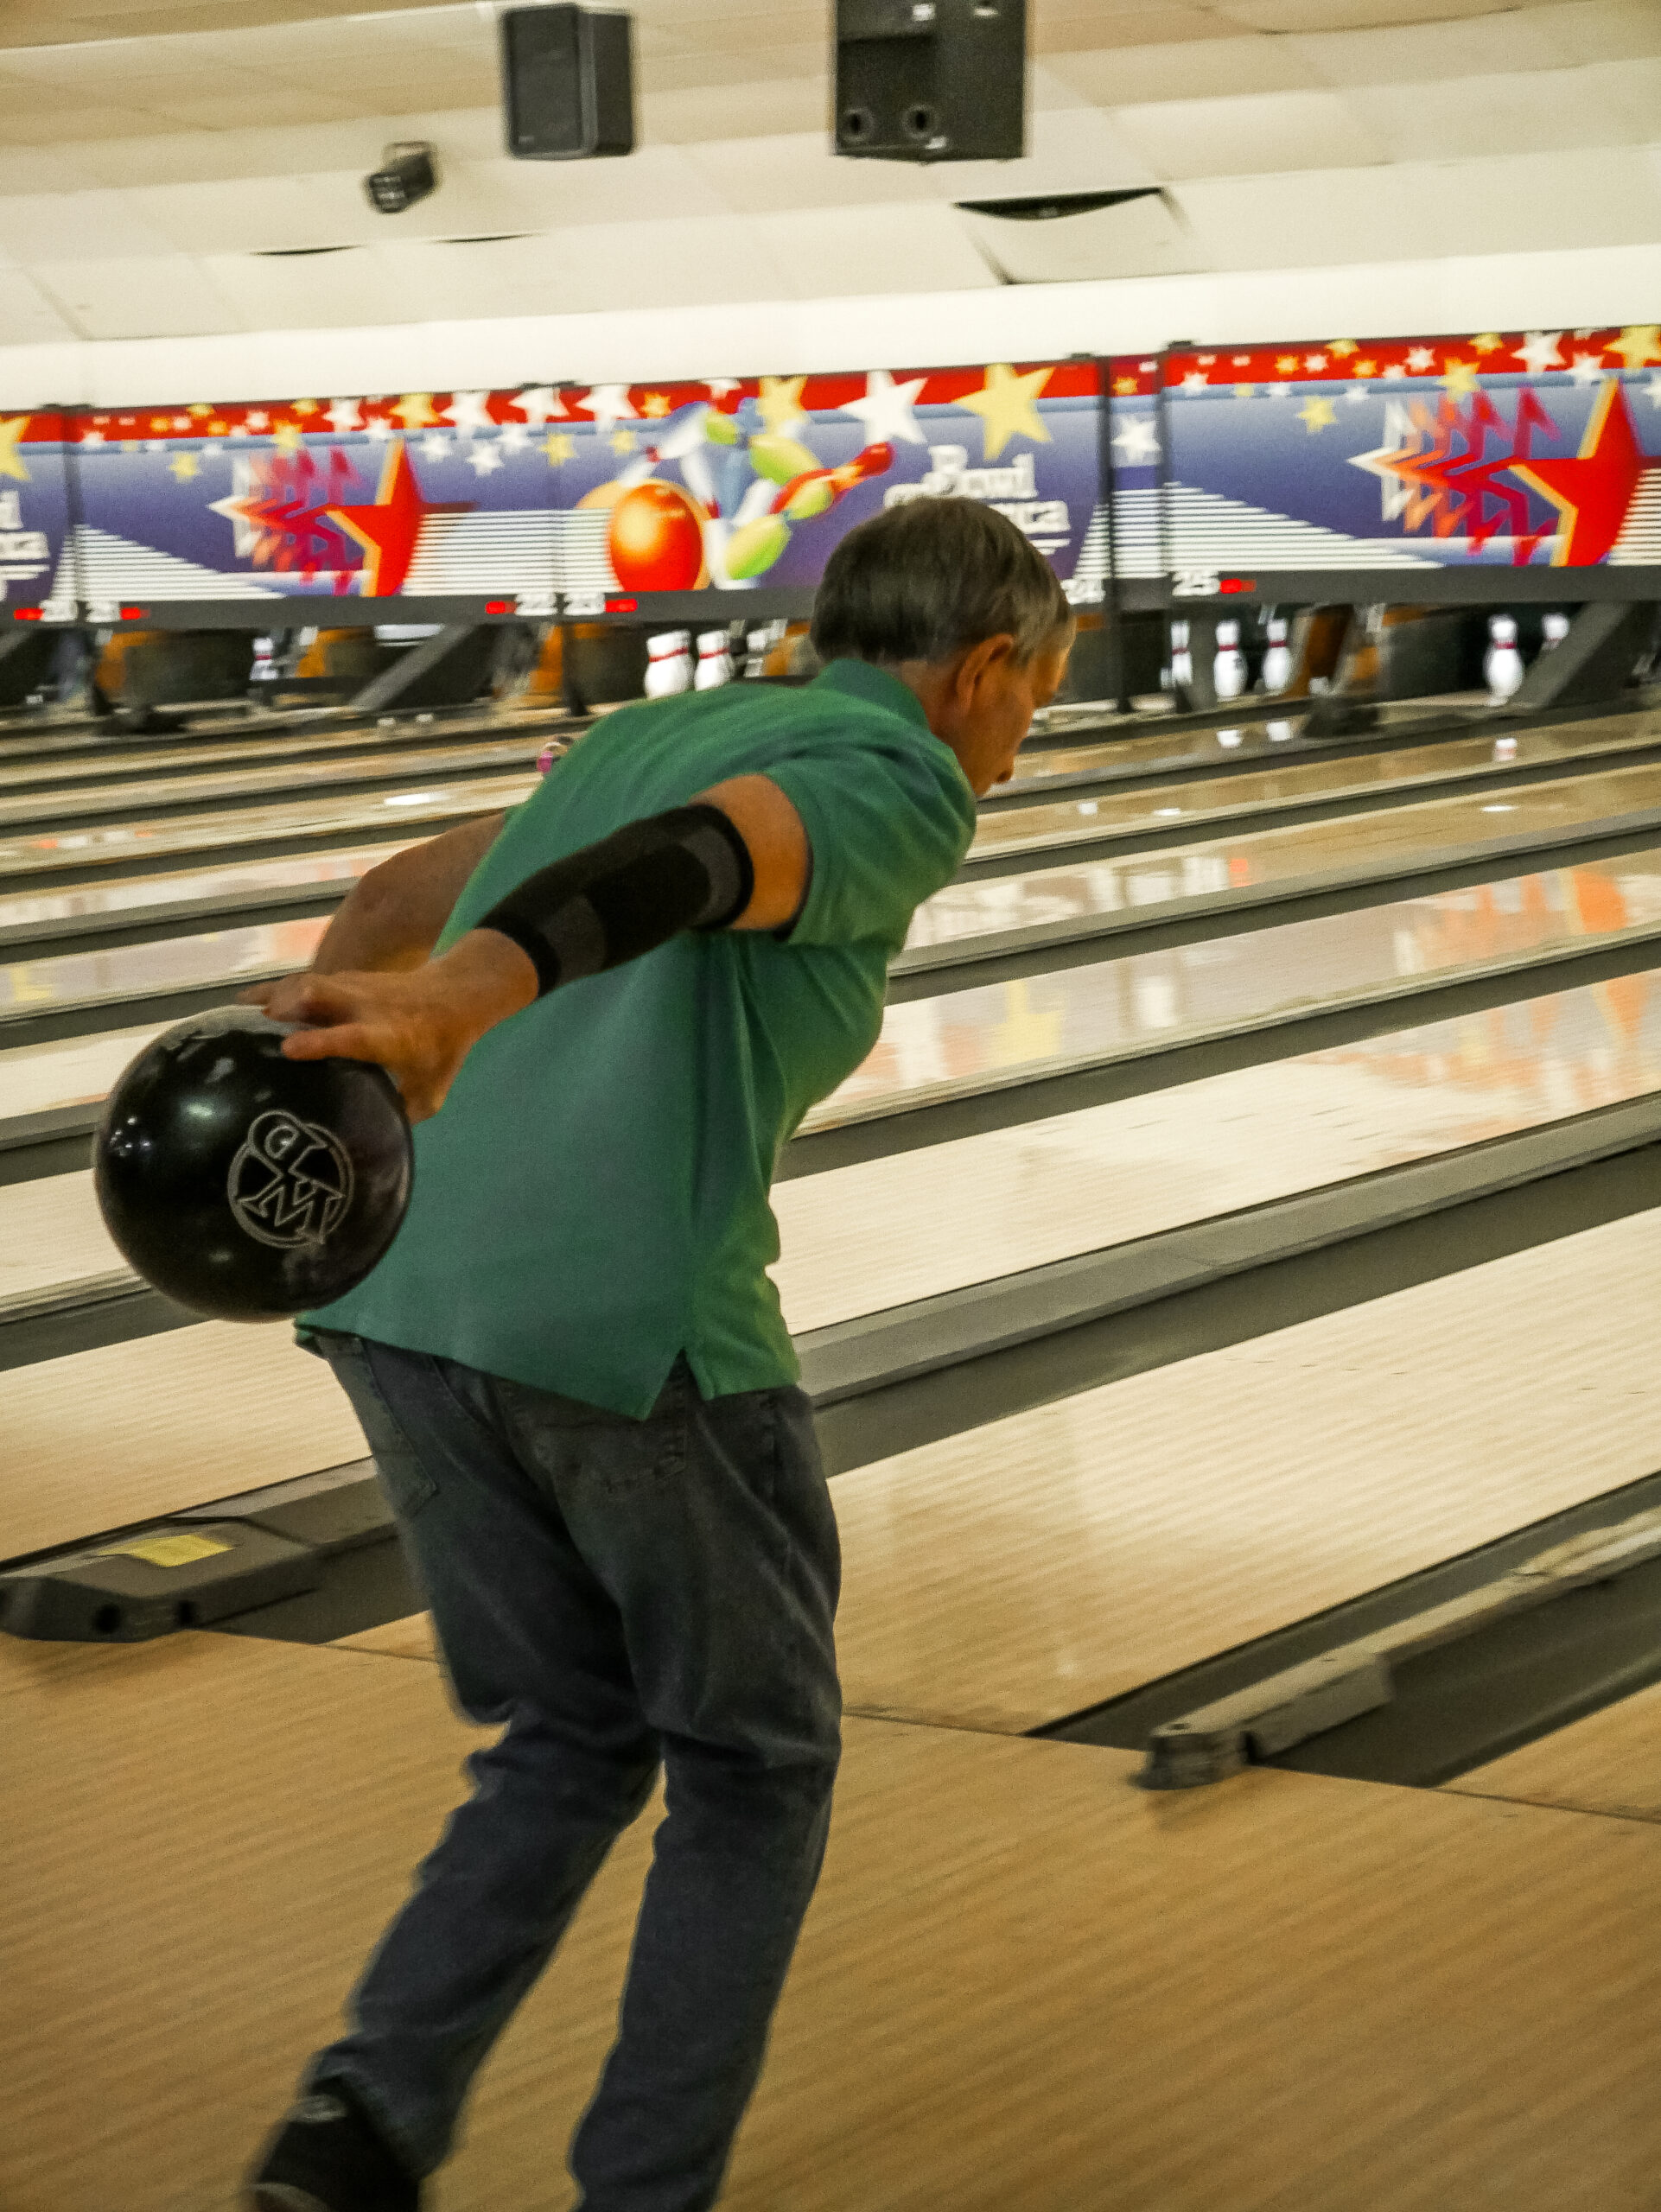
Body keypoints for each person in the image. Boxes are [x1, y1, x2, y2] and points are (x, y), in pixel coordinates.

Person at [244, 495, 1072, 2212]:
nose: (1017, 742)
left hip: (407, 1305)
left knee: (564, 1729)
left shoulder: (645, 725)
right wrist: (459, 1000)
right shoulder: (892, 771)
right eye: (1036, 700)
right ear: (986, 663)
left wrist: (336, 1046)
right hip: (633, 1340)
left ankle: (356, 2126)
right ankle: (644, 2188)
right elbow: (697, 860)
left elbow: (404, 881)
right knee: (754, 1764)